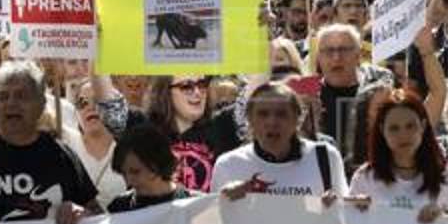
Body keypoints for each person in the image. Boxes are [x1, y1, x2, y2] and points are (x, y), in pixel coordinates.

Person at [0, 61, 99, 224]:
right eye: (2, 97)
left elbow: (97, 215)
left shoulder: (62, 156)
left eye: (21, 96)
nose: (11, 103)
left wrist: (82, 213)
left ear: (41, 105)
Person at [348, 88, 448, 222]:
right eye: (394, 128)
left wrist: (445, 218)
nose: (403, 135)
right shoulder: (365, 178)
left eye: (410, 126)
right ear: (382, 131)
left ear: (423, 126)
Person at [214, 82, 348, 198]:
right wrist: (224, 202)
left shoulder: (324, 157)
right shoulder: (228, 165)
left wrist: (349, 205)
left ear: (298, 119)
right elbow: (212, 223)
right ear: (249, 119)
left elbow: (346, 215)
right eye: (263, 114)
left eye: (281, 114)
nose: (272, 122)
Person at [143, 75, 241, 193]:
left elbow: (255, 95)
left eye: (201, 84)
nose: (197, 92)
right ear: (165, 92)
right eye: (186, 86)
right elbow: (114, 106)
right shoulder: (142, 133)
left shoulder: (222, 126)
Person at [315, 24, 393, 159]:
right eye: (328, 51)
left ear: (358, 55)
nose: (336, 58)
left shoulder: (379, 92)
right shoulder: (309, 98)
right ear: (318, 57)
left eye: (344, 50)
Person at [63, 80, 126, 209]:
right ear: (76, 112)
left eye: (97, 100)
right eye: (83, 103)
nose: (90, 107)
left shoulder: (129, 150)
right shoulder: (65, 142)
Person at [107, 125, 198, 212]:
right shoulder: (118, 208)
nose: (129, 181)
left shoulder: (195, 204)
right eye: (124, 174)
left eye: (135, 172)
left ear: (156, 166)